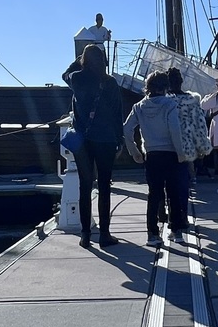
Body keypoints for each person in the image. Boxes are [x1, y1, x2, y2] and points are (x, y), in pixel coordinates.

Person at [65, 44, 125, 249]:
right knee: (105, 186)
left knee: (84, 186)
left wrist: (80, 59)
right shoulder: (110, 83)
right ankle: (105, 234)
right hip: (106, 138)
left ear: (84, 60)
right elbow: (118, 114)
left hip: (83, 140)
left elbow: (65, 73)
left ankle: (85, 235)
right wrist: (120, 140)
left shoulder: (77, 79)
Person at [123, 70, 188, 246]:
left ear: (148, 87)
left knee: (154, 195)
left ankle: (152, 234)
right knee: (173, 193)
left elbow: (127, 129)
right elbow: (175, 130)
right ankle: (177, 232)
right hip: (171, 153)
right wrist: (181, 153)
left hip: (151, 155)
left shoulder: (139, 107)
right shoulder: (170, 104)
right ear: (166, 87)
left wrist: (134, 151)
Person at [167, 67, 212, 183]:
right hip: (187, 146)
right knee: (185, 177)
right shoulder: (192, 101)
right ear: (181, 82)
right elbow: (200, 126)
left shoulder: (165, 102)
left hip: (167, 146)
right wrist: (203, 146)